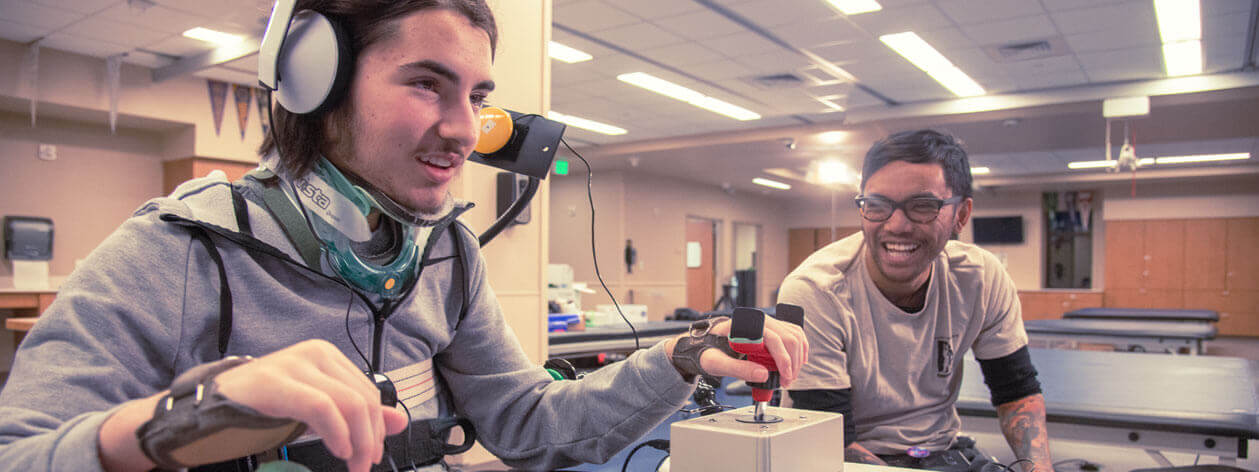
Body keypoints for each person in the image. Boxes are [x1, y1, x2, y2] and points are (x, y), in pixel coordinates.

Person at [0, 1, 807, 471]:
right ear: (315, 85)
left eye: (478, 96)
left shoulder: (443, 254)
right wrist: (188, 416)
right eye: (426, 84)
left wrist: (675, 358)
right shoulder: (179, 251)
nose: (465, 132)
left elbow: (528, 423)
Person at [781, 129, 1051, 472]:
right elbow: (832, 439)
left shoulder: (980, 277)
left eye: (922, 206)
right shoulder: (815, 290)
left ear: (961, 215)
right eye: (877, 205)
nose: (896, 225)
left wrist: (1038, 468)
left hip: (945, 451)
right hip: (847, 461)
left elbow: (1016, 391)